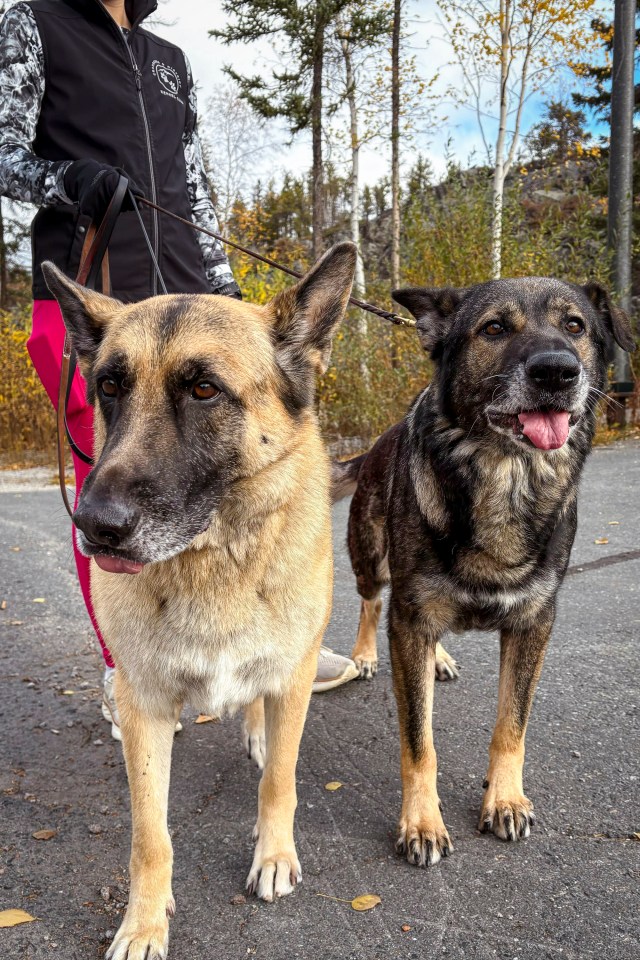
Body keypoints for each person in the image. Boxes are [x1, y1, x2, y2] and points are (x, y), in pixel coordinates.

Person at [0, 0, 358, 740]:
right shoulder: (31, 23)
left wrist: (230, 299)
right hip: (92, 293)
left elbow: (193, 184)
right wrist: (69, 179)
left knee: (236, 474)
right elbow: (1, 149)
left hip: (189, 291)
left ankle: (266, 646)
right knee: (115, 476)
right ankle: (126, 665)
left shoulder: (169, 58)